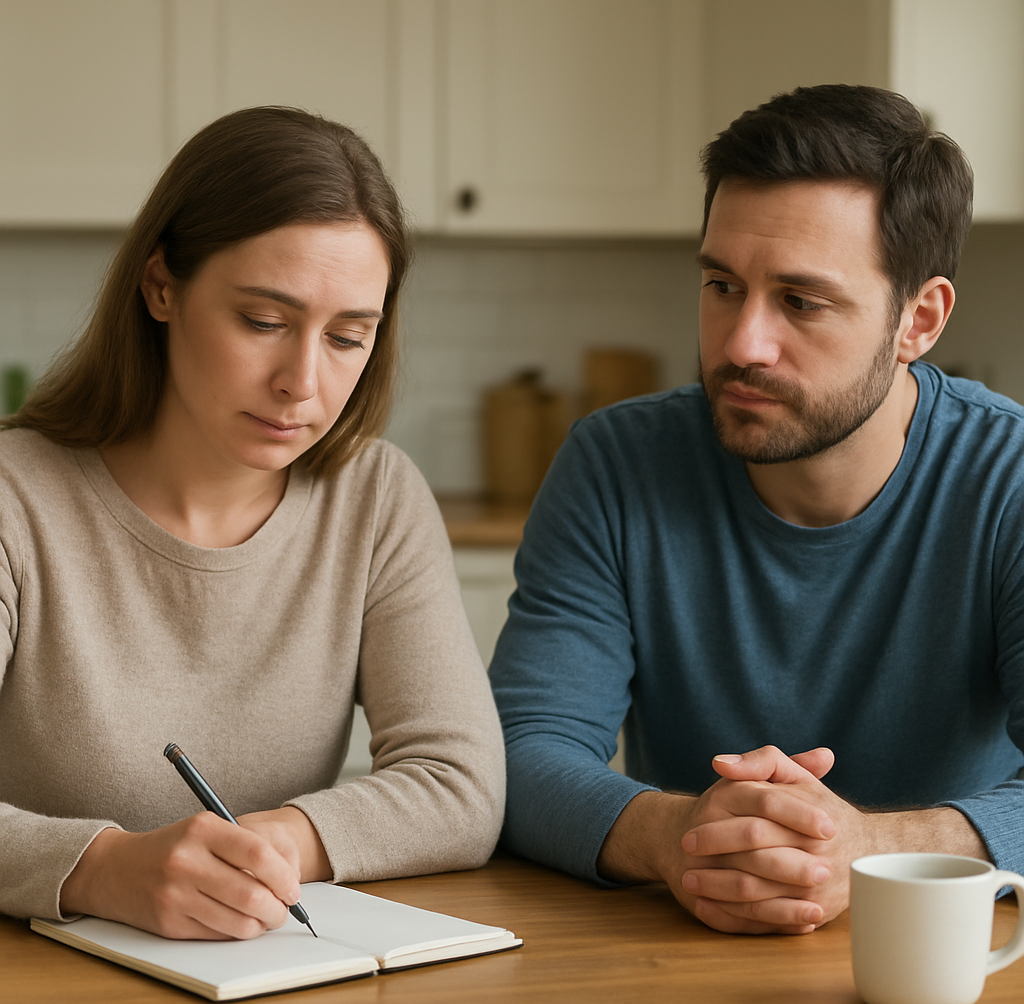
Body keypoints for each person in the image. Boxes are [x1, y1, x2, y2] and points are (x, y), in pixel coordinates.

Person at [489, 84, 1024, 935]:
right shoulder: (615, 463)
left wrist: (872, 852)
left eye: (801, 301)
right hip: (676, 954)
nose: (742, 344)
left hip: (955, 965)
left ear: (918, 319)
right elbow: (519, 753)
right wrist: (676, 835)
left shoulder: (1012, 477)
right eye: (722, 284)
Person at [0, 106, 505, 939]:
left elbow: (461, 783)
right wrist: (101, 869)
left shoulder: (374, 497)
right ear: (161, 286)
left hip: (257, 971)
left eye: (349, 337)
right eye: (264, 322)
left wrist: (270, 845)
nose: (301, 382)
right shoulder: (19, 498)